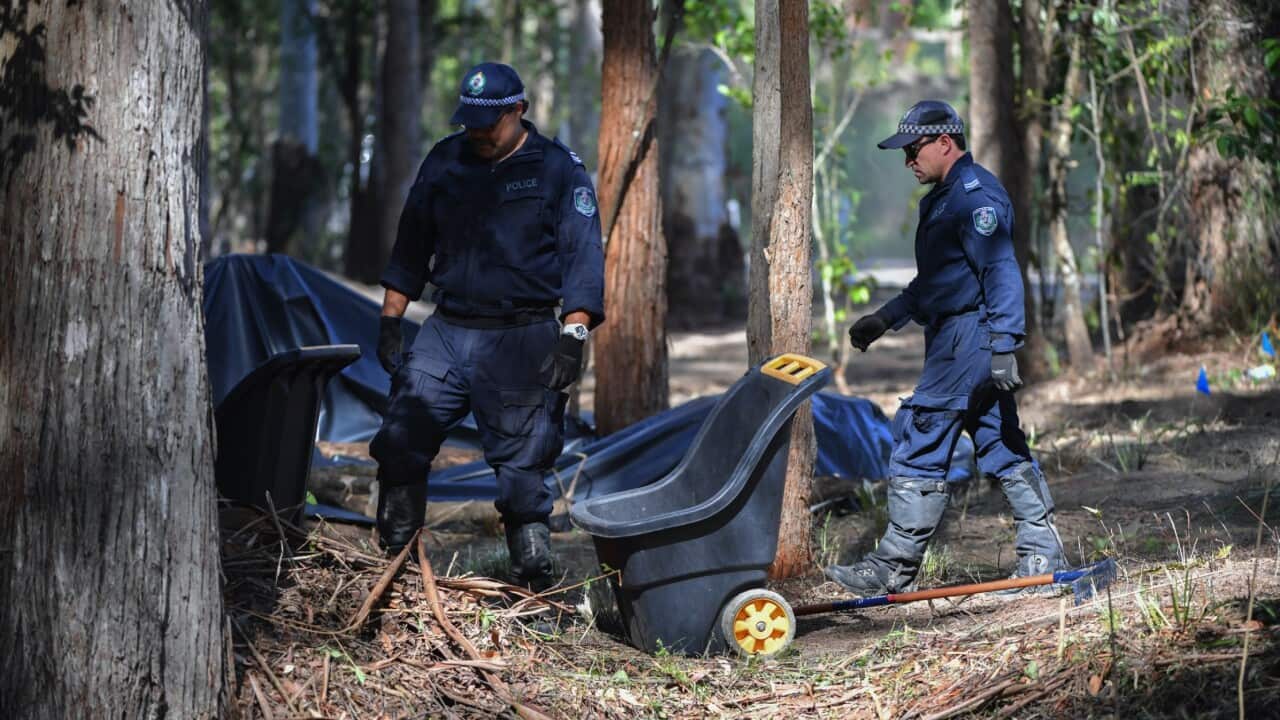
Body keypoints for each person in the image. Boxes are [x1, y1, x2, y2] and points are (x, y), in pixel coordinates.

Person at [371, 62, 604, 592]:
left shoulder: (558, 169)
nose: (475, 132)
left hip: (522, 335)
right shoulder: (445, 160)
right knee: (400, 436)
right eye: (468, 121)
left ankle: (533, 587)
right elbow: (410, 246)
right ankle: (395, 567)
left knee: (524, 469)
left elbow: (583, 260)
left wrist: (574, 334)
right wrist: (390, 320)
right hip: (447, 329)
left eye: (487, 123)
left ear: (517, 111)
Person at [824, 100, 1065, 597]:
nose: (908, 161)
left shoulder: (976, 200)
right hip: (958, 338)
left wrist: (1004, 345)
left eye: (913, 150)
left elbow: (1000, 270)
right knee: (1000, 442)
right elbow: (935, 282)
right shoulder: (942, 199)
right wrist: (885, 318)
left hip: (969, 341)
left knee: (921, 436)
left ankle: (893, 567)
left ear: (944, 143)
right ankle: (1043, 555)